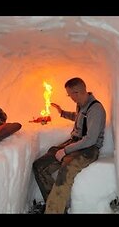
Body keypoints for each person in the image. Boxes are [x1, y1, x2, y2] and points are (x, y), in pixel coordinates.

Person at [32, 77, 106, 214]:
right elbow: (79, 118)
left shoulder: (96, 109)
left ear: (77, 92)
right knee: (39, 166)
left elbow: (90, 140)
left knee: (65, 171)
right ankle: (54, 206)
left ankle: (53, 211)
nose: (70, 97)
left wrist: (65, 150)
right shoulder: (81, 104)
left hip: (89, 149)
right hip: (76, 143)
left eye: (70, 94)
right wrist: (62, 112)